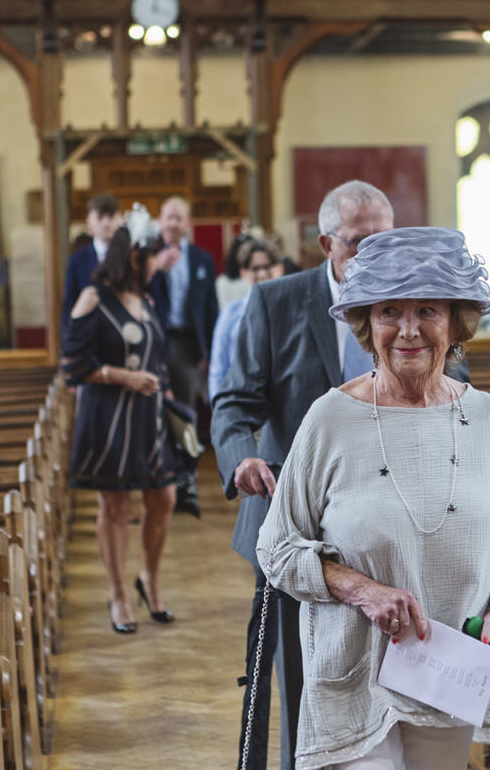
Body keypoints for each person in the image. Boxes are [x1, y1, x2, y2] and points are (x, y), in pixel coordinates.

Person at [256, 226, 490, 770]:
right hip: (356, 675)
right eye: (389, 312)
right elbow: (278, 548)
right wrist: (363, 591)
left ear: (455, 322)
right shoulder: (331, 418)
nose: (408, 330)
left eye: (427, 310)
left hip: (449, 674)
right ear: (367, 324)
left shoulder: (486, 418)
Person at [213, 179, 400, 770]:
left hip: (387, 520)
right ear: (326, 243)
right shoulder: (275, 303)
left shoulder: (414, 307)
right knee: (298, 677)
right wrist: (243, 454)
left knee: (387, 673)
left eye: (384, 242)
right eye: (357, 243)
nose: (373, 256)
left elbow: (456, 400)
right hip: (292, 523)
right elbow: (235, 400)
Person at [61, 226, 180, 634]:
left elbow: (158, 356)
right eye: (152, 258)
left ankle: (149, 578)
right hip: (107, 414)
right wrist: (125, 377)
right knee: (114, 505)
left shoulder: (146, 298)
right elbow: (72, 365)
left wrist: (162, 394)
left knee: (164, 496)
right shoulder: (93, 297)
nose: (157, 265)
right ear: (133, 258)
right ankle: (117, 593)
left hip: (149, 416)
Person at [150, 195, 218, 517]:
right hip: (156, 343)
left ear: (187, 223)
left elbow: (210, 309)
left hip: (189, 344)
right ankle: (159, 487)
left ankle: (186, 485)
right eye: (168, 217)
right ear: (160, 222)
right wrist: (155, 267)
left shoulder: (202, 259)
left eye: (179, 218)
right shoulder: (148, 256)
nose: (173, 224)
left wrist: (210, 350)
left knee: (185, 414)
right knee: (157, 416)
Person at [208, 237, 280, 400]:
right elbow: (218, 370)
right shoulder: (231, 314)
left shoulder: (290, 312)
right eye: (255, 268)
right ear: (243, 273)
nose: (262, 273)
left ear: (278, 269)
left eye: (267, 266)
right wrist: (220, 412)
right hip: (242, 403)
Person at [61, 193, 120, 339]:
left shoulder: (128, 257)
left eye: (111, 217)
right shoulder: (77, 260)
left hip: (121, 336)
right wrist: (68, 339)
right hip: (89, 337)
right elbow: (70, 302)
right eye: (100, 217)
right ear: (89, 221)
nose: (106, 223)